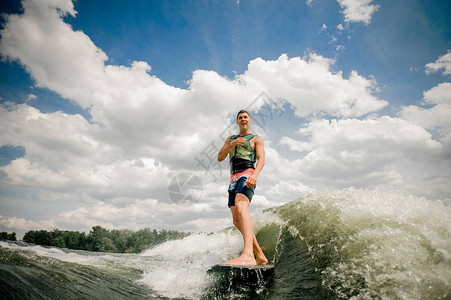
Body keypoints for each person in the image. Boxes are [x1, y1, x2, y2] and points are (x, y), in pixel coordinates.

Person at [217, 110, 268, 266]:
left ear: (250, 121)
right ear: (237, 122)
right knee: (236, 220)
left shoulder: (255, 139)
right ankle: (260, 256)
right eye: (240, 118)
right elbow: (220, 157)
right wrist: (230, 145)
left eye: (245, 117)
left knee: (241, 206)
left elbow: (261, 159)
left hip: (247, 174)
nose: (243, 119)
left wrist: (255, 174)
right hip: (233, 179)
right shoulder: (230, 139)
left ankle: (248, 255)